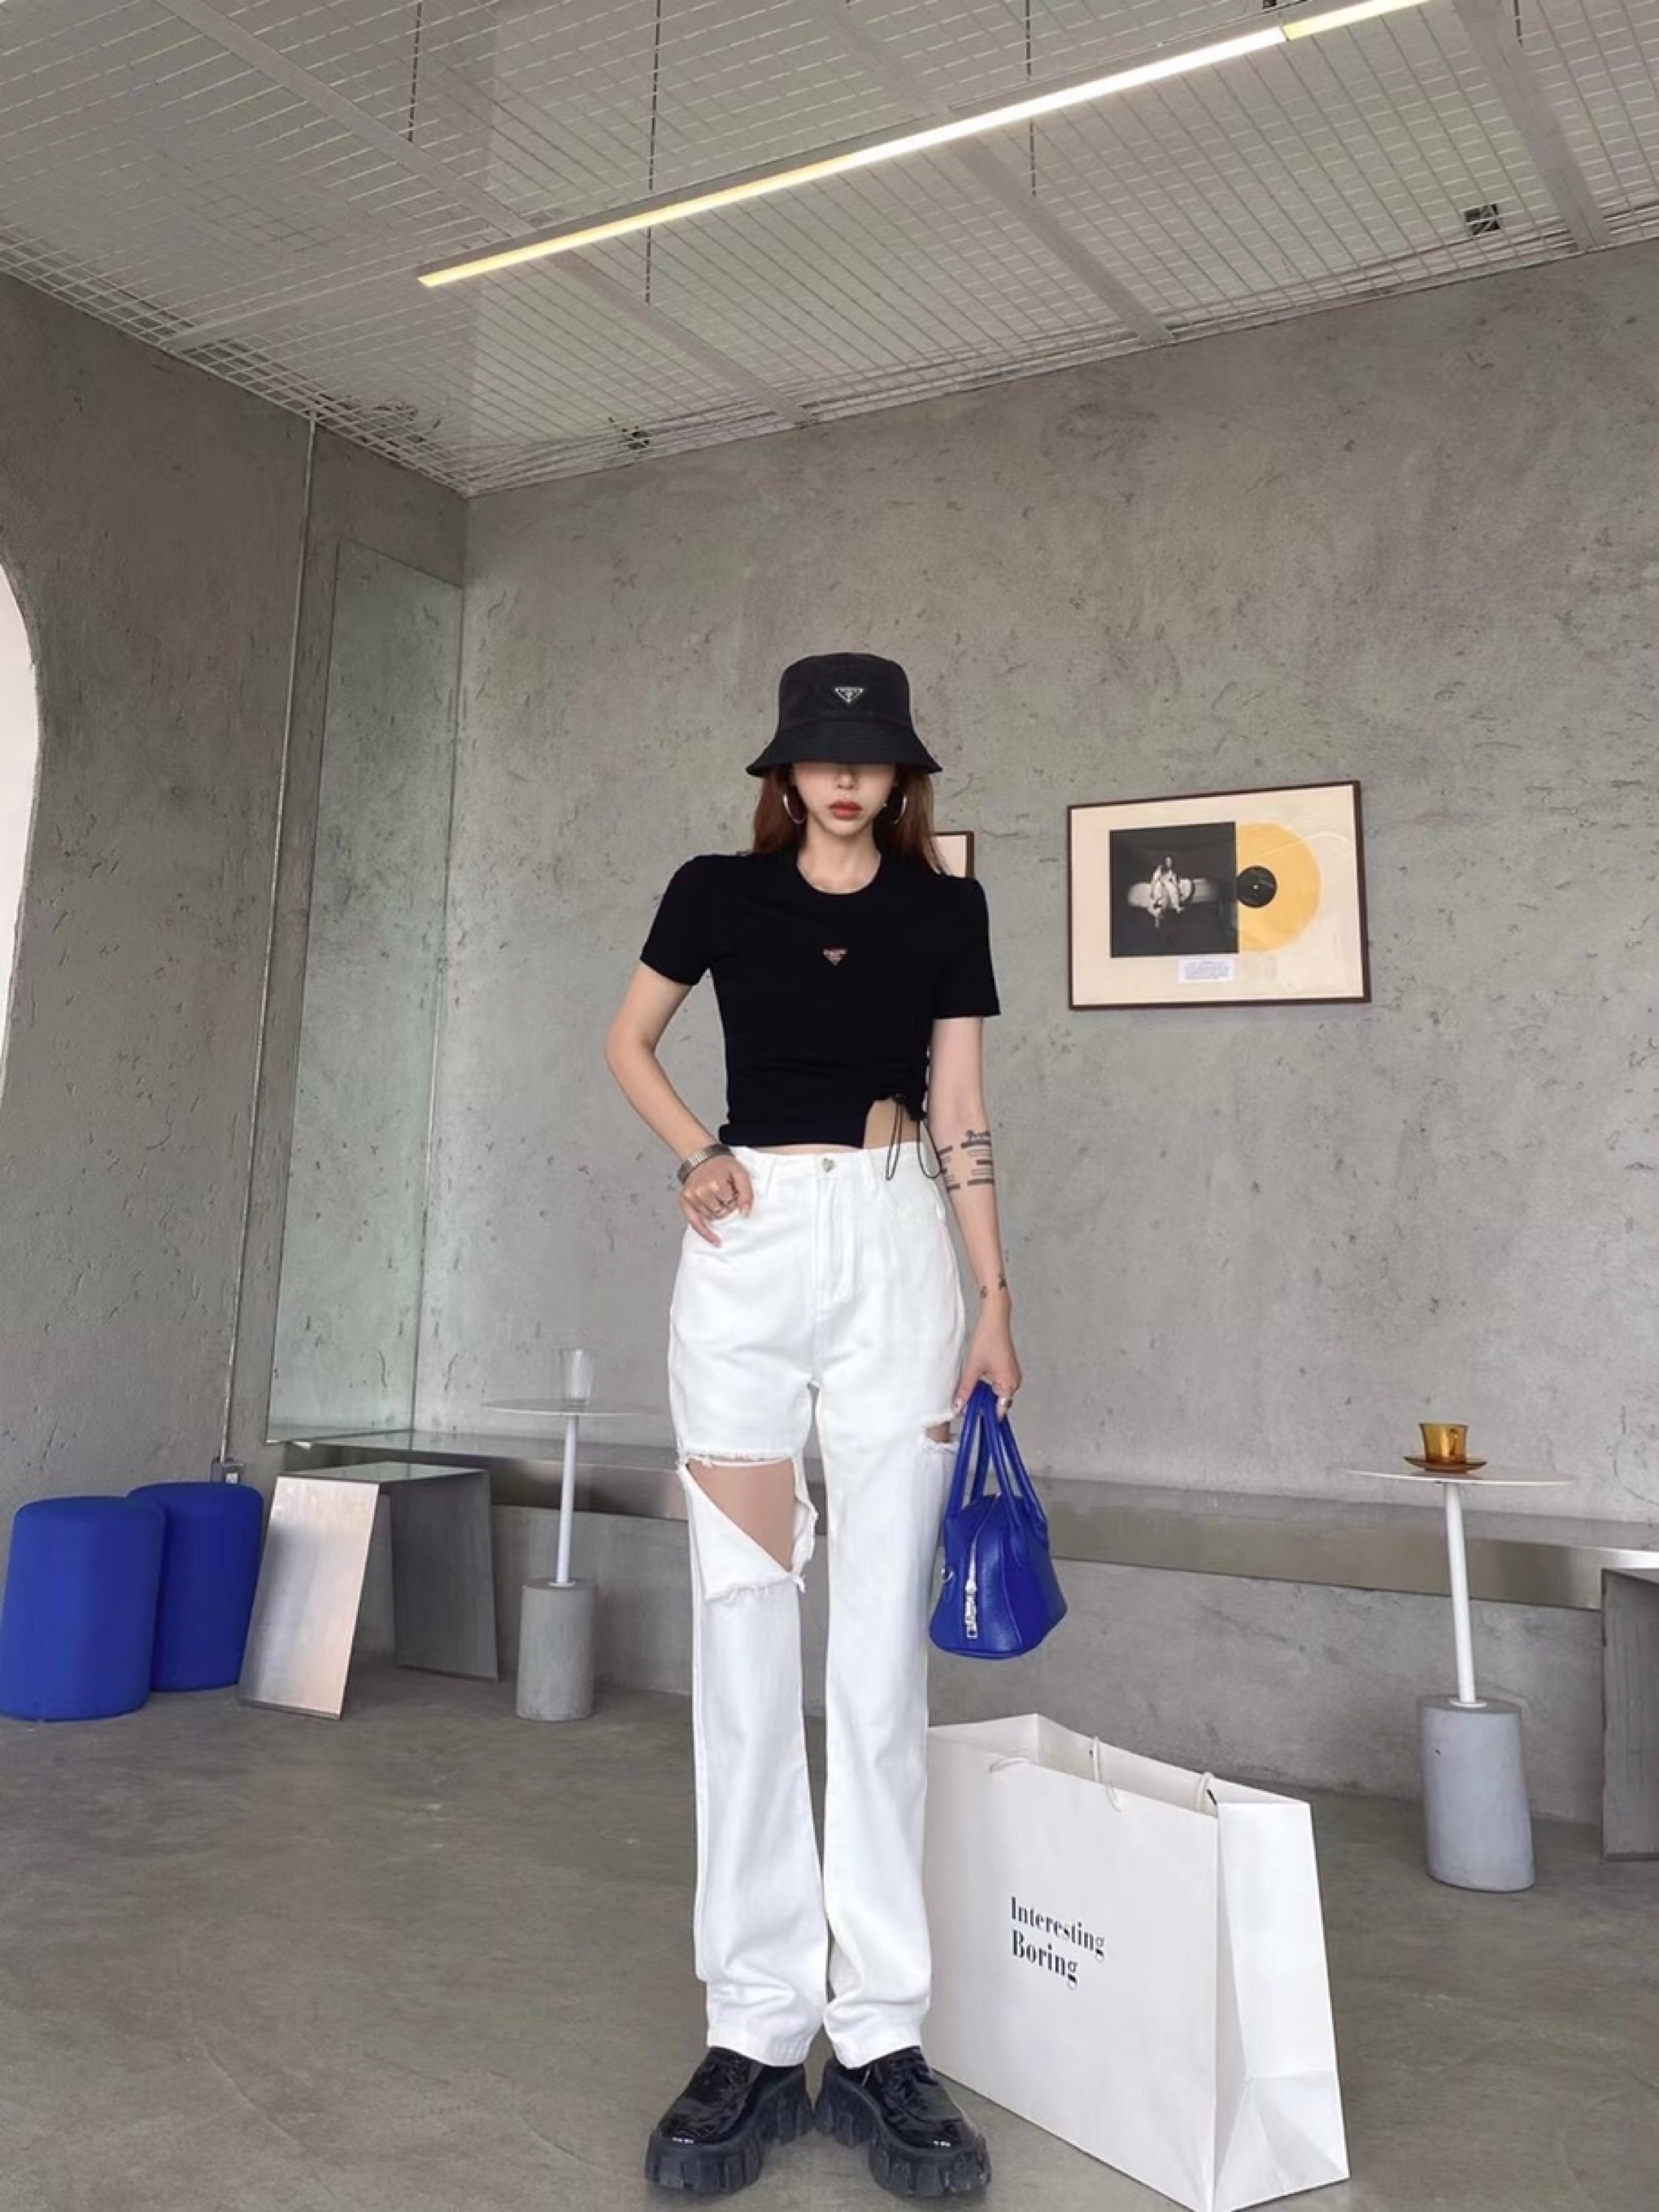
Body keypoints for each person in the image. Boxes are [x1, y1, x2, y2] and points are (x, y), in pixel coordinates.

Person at [604, 651, 1020, 2200]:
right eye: (822, 755)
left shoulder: (947, 909)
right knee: (742, 1631)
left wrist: (992, 1297)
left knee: (877, 1658)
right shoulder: (714, 891)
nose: (847, 779)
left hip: (898, 1254)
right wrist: (695, 1153)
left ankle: (883, 2031)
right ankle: (756, 2025)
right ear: (785, 770)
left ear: (903, 773)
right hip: (748, 1258)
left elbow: (961, 1106)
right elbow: (627, 1041)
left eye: (873, 757)